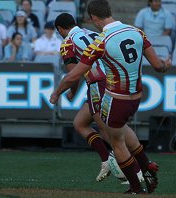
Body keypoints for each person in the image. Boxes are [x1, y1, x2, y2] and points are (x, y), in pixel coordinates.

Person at [50, 0, 171, 194]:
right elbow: (158, 66)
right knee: (85, 123)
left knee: (114, 137)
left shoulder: (94, 40)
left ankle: (137, 177)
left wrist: (57, 93)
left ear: (93, 18)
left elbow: (74, 74)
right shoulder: (134, 31)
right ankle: (130, 164)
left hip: (108, 91)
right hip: (135, 94)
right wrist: (166, 65)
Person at [54, 13, 111, 182]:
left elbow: (74, 73)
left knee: (108, 130)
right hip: (114, 80)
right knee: (80, 123)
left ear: (59, 29)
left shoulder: (67, 43)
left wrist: (60, 93)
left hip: (98, 83)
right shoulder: (92, 33)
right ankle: (107, 160)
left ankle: (132, 168)